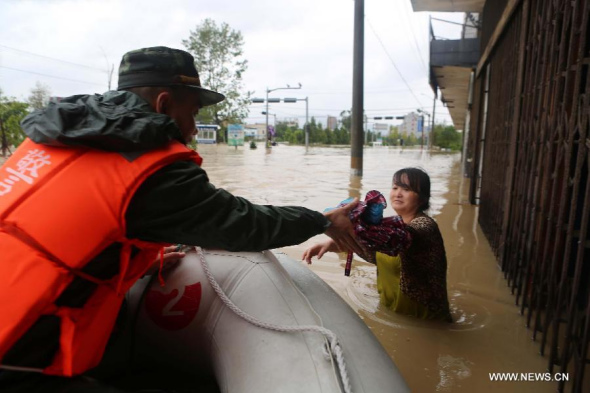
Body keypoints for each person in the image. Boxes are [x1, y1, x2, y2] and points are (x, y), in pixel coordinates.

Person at [0, 46, 363, 392]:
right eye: (192, 114)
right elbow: (242, 224)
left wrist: (133, 266)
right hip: (19, 360)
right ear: (163, 104)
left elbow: (54, 232)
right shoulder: (150, 165)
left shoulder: (52, 138)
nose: (192, 129)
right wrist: (321, 219)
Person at [303, 167, 452, 322]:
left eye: (406, 189)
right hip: (392, 311)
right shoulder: (391, 226)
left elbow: (398, 239)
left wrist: (345, 223)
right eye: (395, 187)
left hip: (426, 320)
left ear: (422, 198)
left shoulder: (425, 226)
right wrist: (332, 243)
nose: (398, 193)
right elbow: (372, 251)